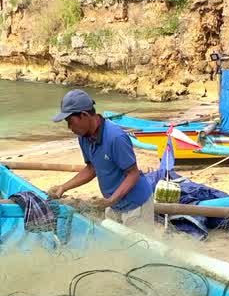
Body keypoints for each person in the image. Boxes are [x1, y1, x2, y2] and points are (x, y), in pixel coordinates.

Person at [46, 89, 154, 226]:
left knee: (138, 245)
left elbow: (133, 175)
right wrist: (63, 187)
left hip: (136, 205)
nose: (69, 127)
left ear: (84, 115)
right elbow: (92, 168)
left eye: (70, 121)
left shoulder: (116, 138)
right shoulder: (84, 137)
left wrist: (109, 201)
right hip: (114, 204)